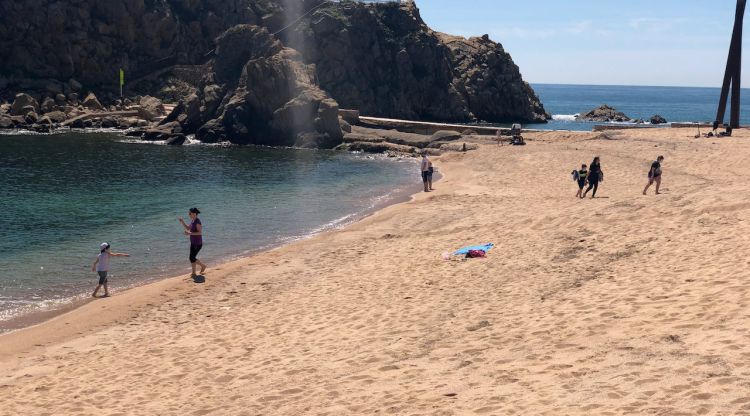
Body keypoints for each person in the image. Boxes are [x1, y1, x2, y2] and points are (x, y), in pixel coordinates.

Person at [179, 207, 206, 277]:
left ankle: (203, 266)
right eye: (189, 213)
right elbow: (188, 228)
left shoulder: (197, 222)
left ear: (194, 214)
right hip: (193, 242)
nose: (189, 214)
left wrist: (189, 234)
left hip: (198, 243)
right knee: (192, 258)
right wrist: (182, 222)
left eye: (190, 213)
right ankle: (193, 272)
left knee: (191, 258)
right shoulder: (193, 220)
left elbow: (200, 233)